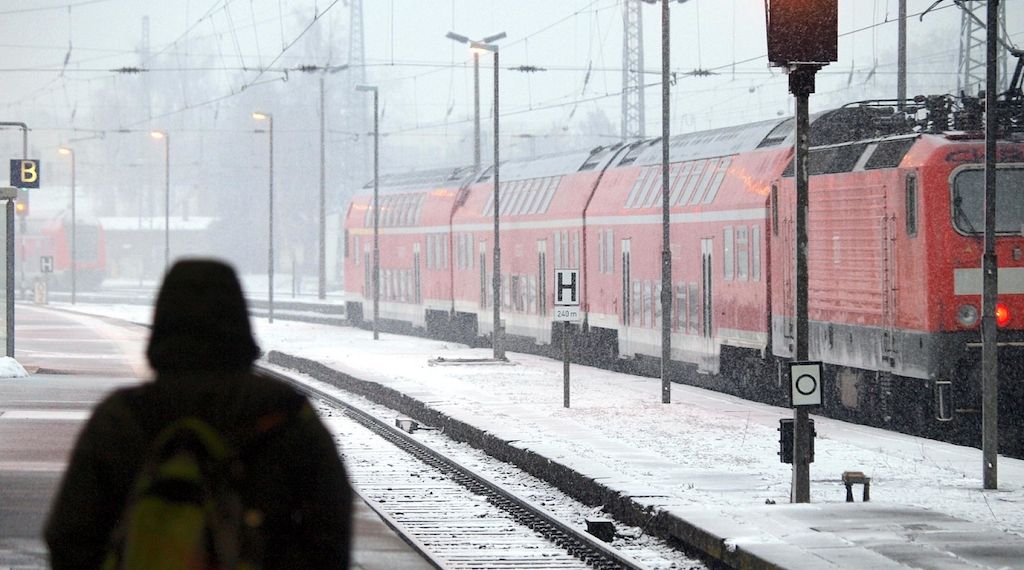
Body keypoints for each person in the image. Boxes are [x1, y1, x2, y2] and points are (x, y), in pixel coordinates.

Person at [44, 259, 352, 569]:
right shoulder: (286, 414)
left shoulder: (120, 418)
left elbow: (70, 535)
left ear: (161, 324)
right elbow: (331, 531)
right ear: (240, 322)